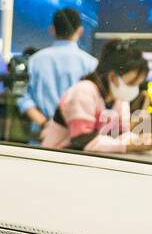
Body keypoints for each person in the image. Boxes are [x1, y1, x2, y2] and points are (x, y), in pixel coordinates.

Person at [41, 39, 152, 153]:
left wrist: (139, 141)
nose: (135, 89)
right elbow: (82, 140)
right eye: (131, 83)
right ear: (112, 76)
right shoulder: (83, 92)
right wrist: (129, 146)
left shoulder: (119, 99)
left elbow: (121, 135)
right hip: (56, 160)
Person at [17, 8, 98, 137]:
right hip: (77, 136)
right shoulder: (91, 64)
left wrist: (45, 123)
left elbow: (22, 97)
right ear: (80, 31)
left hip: (41, 135)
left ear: (52, 29)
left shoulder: (34, 60)